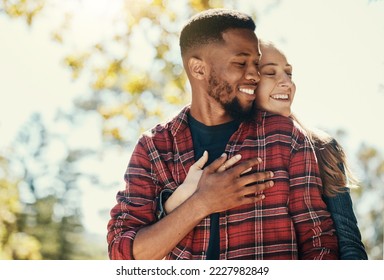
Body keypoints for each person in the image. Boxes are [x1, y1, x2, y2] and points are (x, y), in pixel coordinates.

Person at [107, 8, 338, 260]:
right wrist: (202, 202)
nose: (254, 75)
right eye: (240, 63)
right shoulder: (155, 148)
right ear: (198, 69)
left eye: (256, 64)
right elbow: (123, 255)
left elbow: (319, 243)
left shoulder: (285, 137)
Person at [163, 39, 367, 260]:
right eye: (270, 73)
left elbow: (348, 242)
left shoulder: (321, 146)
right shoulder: (204, 148)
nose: (287, 83)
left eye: (289, 74)